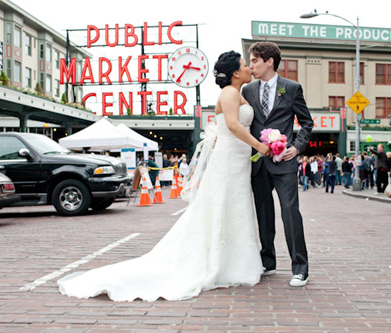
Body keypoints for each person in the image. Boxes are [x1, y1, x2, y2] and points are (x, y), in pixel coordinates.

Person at [57, 51, 270, 301]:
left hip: (236, 159)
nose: (248, 68)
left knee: (235, 206)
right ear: (235, 72)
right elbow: (233, 125)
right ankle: (224, 263)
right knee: (224, 204)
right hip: (229, 159)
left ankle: (233, 261)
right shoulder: (230, 93)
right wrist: (260, 145)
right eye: (245, 65)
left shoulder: (237, 93)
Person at [242, 41, 314, 287]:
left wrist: (297, 147)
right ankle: (268, 262)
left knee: (290, 212)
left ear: (269, 61)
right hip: (258, 163)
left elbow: (307, 123)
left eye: (254, 60)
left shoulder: (292, 88)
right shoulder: (248, 90)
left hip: (285, 162)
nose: (250, 65)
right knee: (263, 213)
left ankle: (300, 268)